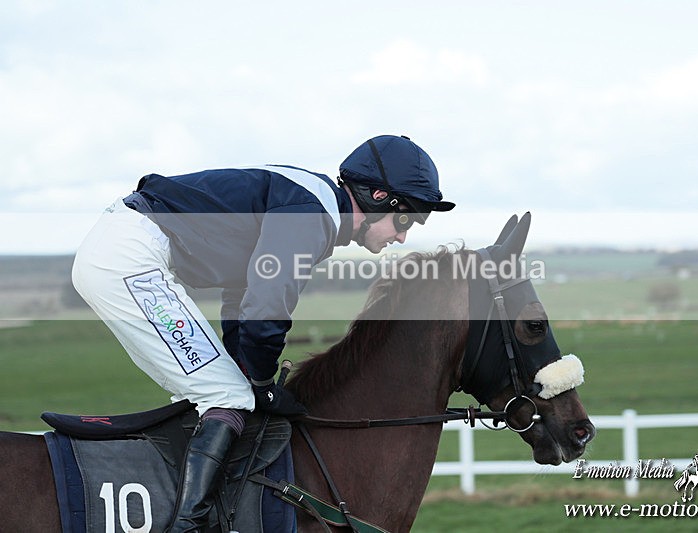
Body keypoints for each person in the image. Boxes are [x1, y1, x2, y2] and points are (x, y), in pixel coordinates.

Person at [71, 134, 454, 532]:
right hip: (129, 258)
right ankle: (188, 524)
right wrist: (260, 382)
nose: (403, 237)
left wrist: (250, 373)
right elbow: (267, 305)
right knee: (227, 394)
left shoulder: (310, 204)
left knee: (227, 389)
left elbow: (241, 295)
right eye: (405, 219)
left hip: (123, 250)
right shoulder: (313, 214)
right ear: (378, 196)